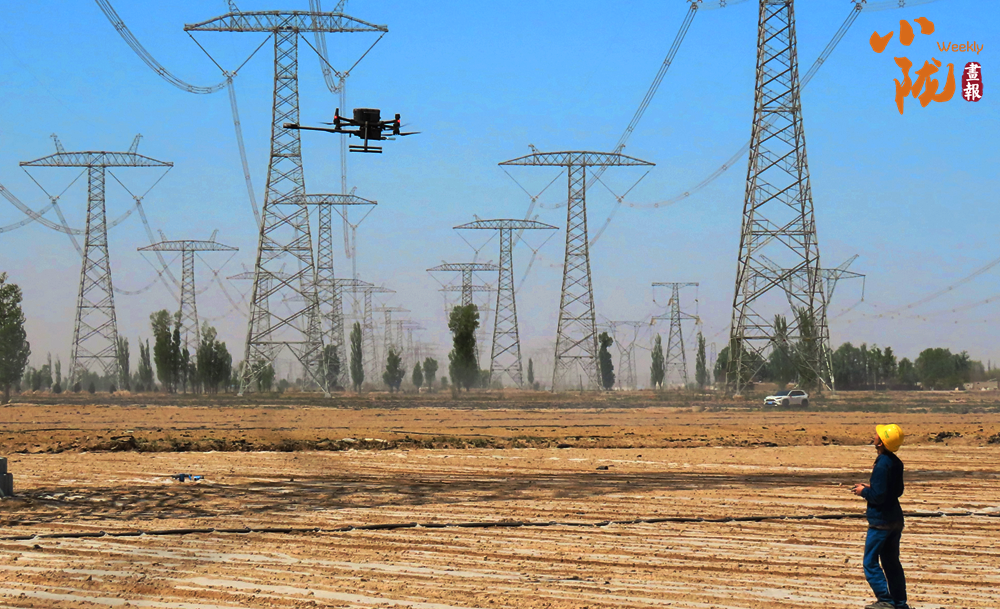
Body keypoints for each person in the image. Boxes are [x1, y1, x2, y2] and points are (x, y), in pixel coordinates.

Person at [852, 424, 908, 609]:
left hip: (881, 521)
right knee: (892, 563)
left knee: (870, 562)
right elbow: (896, 491)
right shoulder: (896, 462)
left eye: (878, 435)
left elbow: (878, 497)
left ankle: (885, 600)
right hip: (895, 519)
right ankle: (900, 603)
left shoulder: (882, 464)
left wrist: (864, 492)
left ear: (881, 442)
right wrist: (872, 488)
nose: (874, 436)